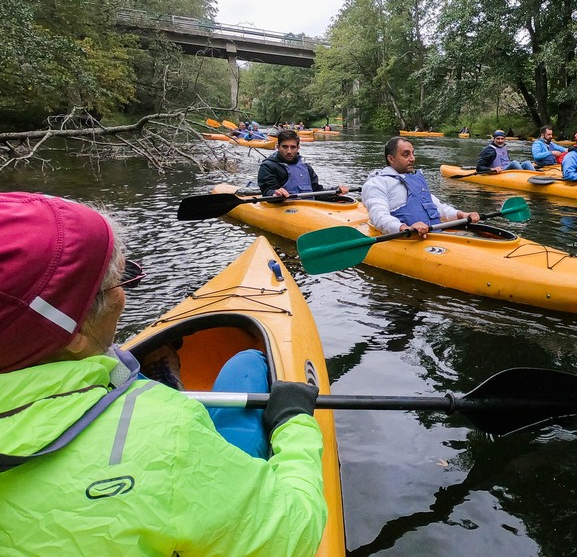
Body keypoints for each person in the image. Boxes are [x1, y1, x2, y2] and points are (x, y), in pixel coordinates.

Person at [0, 192, 327, 554]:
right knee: (247, 365)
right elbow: (296, 532)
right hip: (172, 457)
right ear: (73, 334)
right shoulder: (169, 434)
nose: (123, 296)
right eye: (116, 283)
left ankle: (161, 383)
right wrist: (293, 422)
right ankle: (170, 390)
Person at [362, 136, 480, 236]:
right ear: (391, 159)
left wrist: (462, 214)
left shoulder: (415, 180)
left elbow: (437, 207)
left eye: (413, 153)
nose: (412, 158)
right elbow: (379, 216)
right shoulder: (376, 184)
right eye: (406, 155)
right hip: (407, 237)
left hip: (434, 235)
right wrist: (404, 227)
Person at [258, 130, 349, 198]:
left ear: (298, 148)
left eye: (293, 147)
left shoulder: (306, 167)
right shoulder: (268, 166)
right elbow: (267, 190)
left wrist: (335, 191)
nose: (289, 151)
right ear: (278, 147)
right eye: (285, 147)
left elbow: (317, 190)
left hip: (308, 207)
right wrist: (274, 193)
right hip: (284, 206)